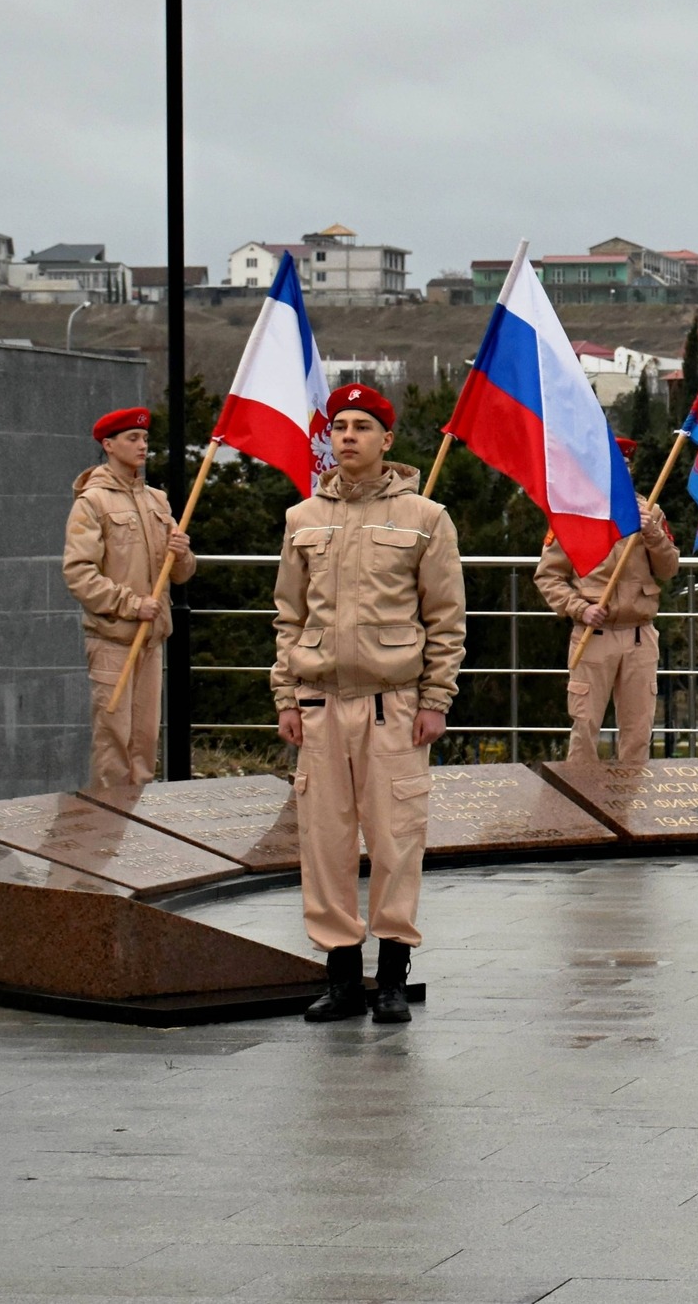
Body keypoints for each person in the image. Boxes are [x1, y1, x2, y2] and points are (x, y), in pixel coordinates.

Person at [271, 385, 465, 1025]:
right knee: (324, 842)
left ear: (387, 440)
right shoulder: (302, 518)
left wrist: (435, 699)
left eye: (362, 426)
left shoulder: (425, 517)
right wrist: (287, 696)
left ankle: (391, 978)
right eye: (340, 427)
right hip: (321, 704)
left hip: (394, 706)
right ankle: (342, 978)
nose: (348, 436)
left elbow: (445, 619)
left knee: (396, 840)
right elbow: (288, 617)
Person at [60, 407, 195, 791]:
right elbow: (79, 574)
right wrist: (133, 605)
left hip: (150, 640)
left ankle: (138, 821)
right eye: (132, 438)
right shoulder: (92, 502)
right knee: (113, 746)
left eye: (145, 439)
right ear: (108, 445)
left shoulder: (157, 501)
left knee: (144, 745)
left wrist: (182, 553)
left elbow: (182, 573)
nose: (142, 445)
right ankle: (106, 822)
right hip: (113, 641)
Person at [537, 435, 679, 765]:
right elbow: (548, 577)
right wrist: (580, 608)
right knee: (585, 730)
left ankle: (631, 798)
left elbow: (669, 569)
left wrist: (652, 533)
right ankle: (578, 797)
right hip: (593, 635)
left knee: (638, 734)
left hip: (639, 635)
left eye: (622, 465)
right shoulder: (572, 514)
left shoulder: (649, 511)